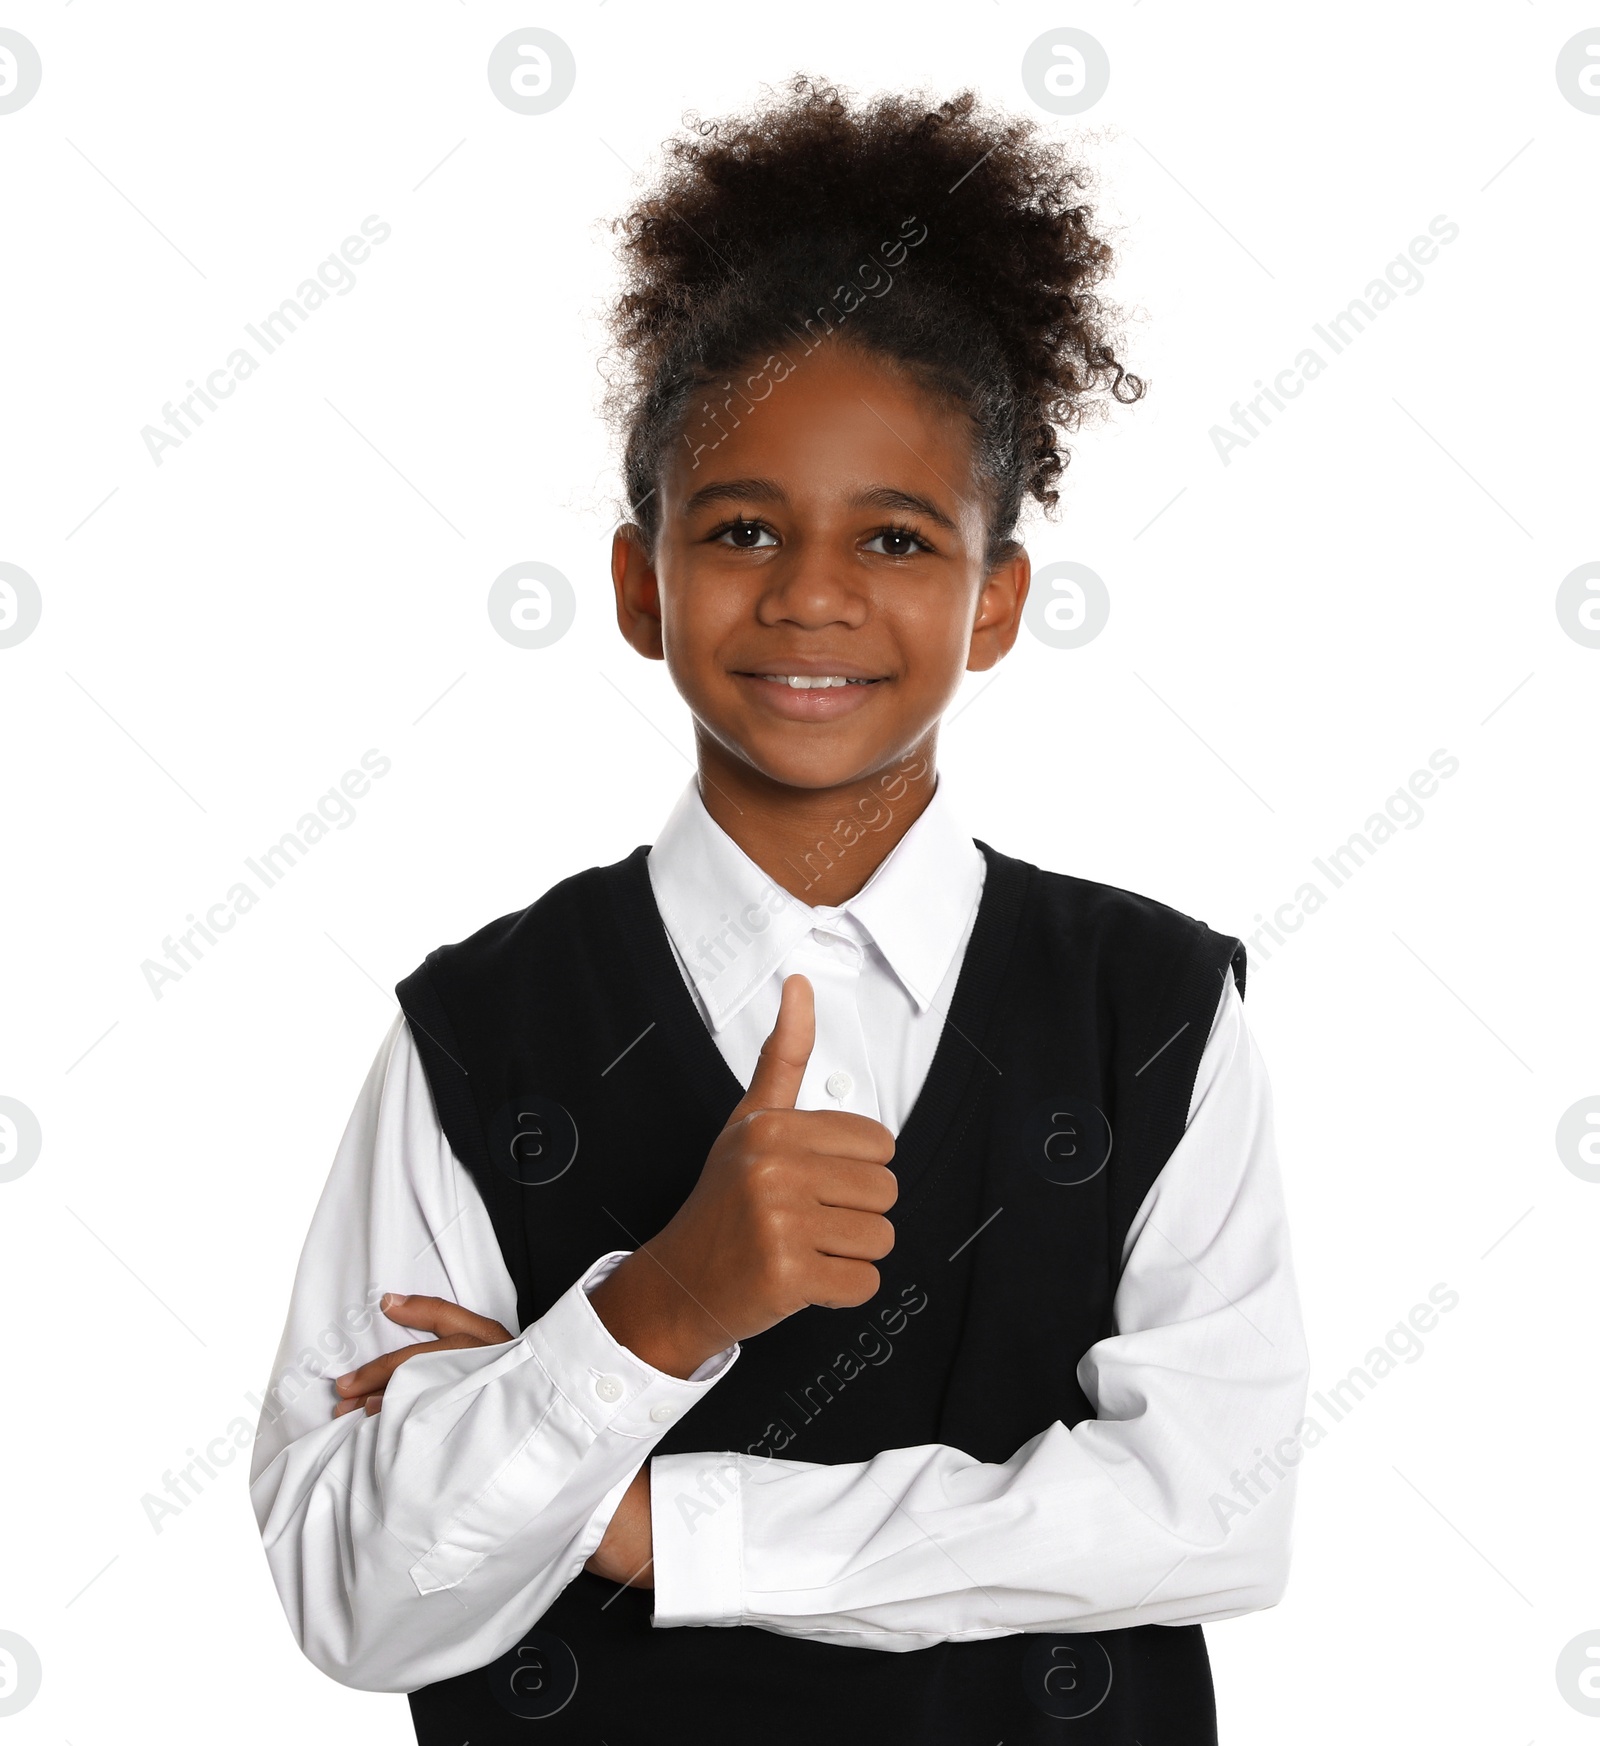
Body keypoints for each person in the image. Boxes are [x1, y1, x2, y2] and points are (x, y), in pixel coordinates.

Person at [251, 74, 1310, 1745]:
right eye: (741, 526)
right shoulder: (476, 1034)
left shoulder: (1153, 1012)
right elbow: (357, 1594)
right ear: (636, 578)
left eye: (895, 536)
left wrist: (639, 1508)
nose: (813, 591)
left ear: (996, 601)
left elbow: (1210, 1510)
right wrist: (662, 1301)